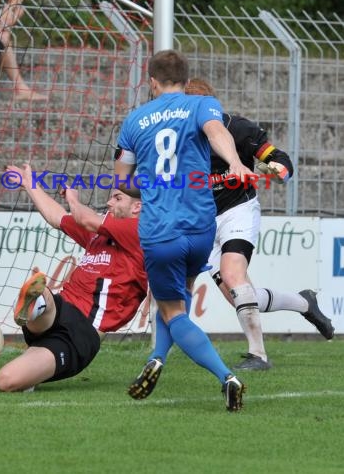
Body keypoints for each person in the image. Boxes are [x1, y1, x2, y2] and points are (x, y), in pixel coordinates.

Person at [129, 77, 335, 400]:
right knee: (239, 295)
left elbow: (276, 156)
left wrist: (277, 169)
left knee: (233, 275)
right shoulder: (179, 138)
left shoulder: (235, 130)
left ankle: (258, 354)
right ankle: (304, 302)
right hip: (198, 220)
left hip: (238, 210)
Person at [114, 49, 252, 412]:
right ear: (186, 81)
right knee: (181, 294)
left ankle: (227, 377)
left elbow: (121, 180)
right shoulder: (201, 104)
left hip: (162, 229)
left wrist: (152, 186)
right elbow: (216, 130)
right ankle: (156, 359)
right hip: (201, 228)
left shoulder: (135, 120)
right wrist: (235, 162)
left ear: (152, 81)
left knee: (173, 310)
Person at [0, 163, 147, 392]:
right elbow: (58, 218)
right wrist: (29, 183)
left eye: (117, 198)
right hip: (60, 310)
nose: (109, 203)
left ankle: (34, 312)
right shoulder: (99, 236)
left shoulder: (140, 231)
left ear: (137, 207)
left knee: (5, 381)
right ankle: (35, 304)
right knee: (43, 292)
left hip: (82, 333)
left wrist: (73, 199)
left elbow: (85, 218)